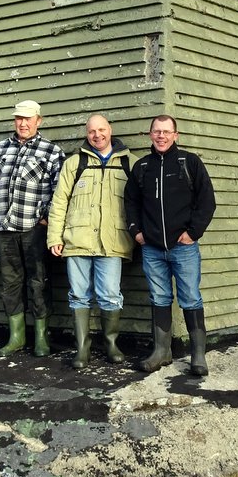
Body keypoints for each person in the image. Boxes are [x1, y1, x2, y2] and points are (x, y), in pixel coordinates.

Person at [124, 114, 216, 376]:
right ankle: (161, 352)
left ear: (176, 135)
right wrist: (136, 232)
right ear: (150, 135)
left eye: (166, 131)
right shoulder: (142, 167)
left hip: (183, 247)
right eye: (156, 131)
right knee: (159, 297)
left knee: (190, 297)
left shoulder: (190, 163)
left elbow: (207, 200)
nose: (161, 136)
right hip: (152, 248)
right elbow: (130, 202)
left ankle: (198, 355)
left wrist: (193, 233)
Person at [0, 99, 65, 357]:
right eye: (18, 119)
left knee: (39, 282)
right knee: (10, 283)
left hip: (34, 228)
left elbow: (59, 190)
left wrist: (47, 217)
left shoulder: (51, 151)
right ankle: (16, 336)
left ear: (38, 120)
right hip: (4, 227)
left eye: (28, 119)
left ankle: (41, 337)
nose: (23, 123)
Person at [48, 114, 135, 368]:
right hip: (77, 239)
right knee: (79, 295)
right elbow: (59, 202)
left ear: (111, 130)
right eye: (91, 132)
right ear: (86, 135)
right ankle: (82, 349)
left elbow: (139, 203)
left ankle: (110, 344)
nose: (97, 135)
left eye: (101, 130)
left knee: (110, 295)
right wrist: (55, 236)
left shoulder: (130, 163)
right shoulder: (75, 163)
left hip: (113, 241)